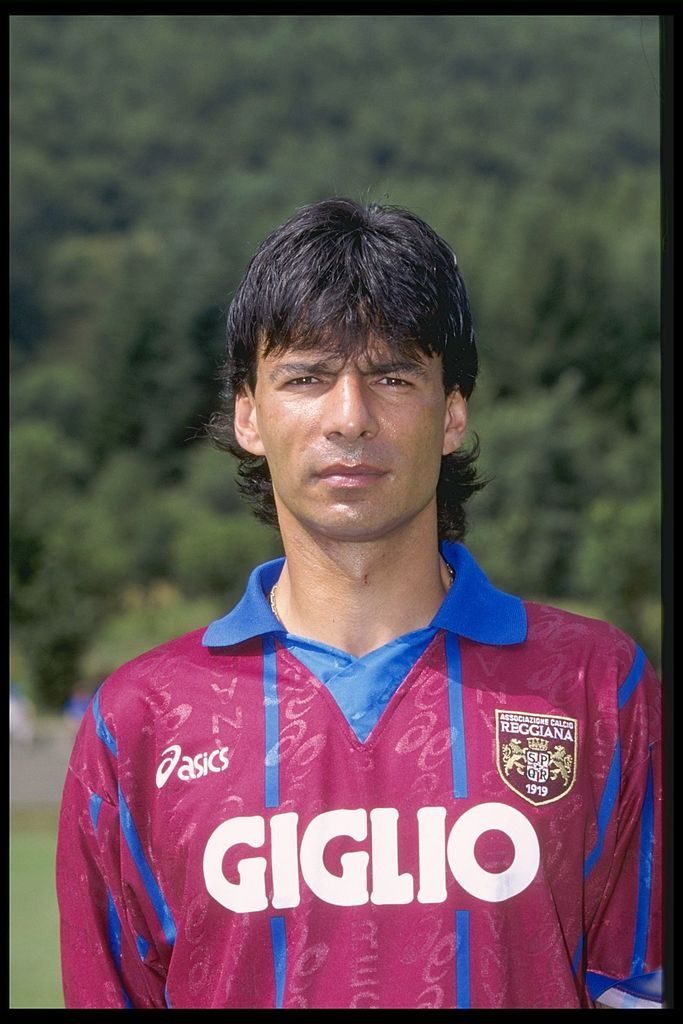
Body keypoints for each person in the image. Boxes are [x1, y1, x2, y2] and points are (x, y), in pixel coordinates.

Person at [56, 197, 662, 1009]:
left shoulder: (597, 686)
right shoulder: (141, 721)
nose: (350, 417)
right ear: (248, 416)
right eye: (305, 377)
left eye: (392, 376)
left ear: (451, 415)